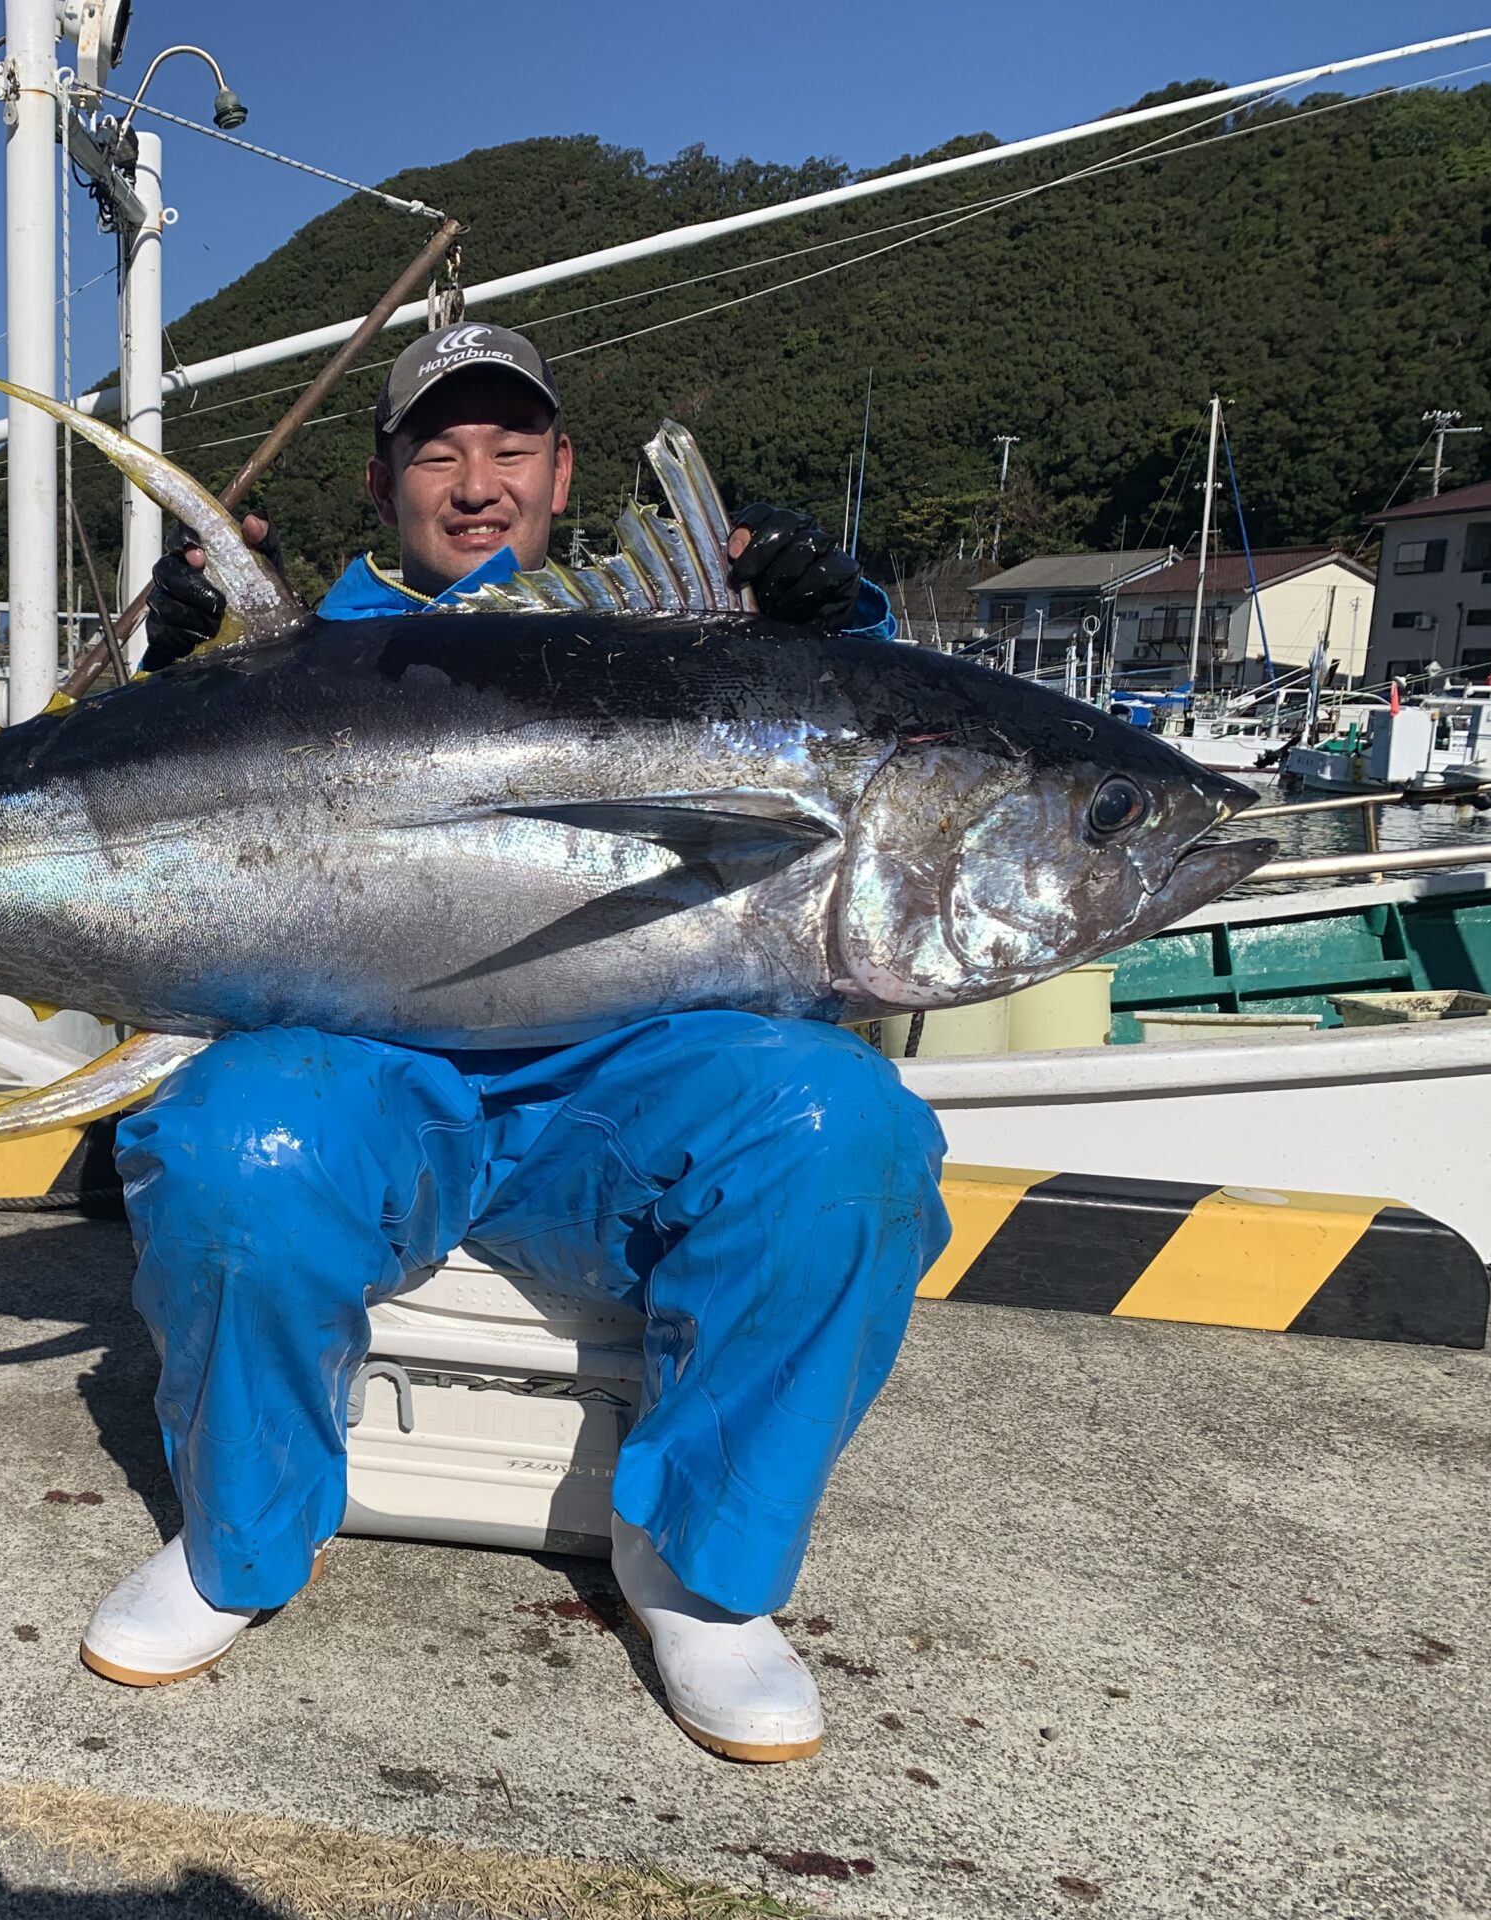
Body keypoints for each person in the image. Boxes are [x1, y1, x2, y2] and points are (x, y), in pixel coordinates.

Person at [75, 323, 948, 1765]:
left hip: (637, 1075)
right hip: (367, 1067)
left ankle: (700, 1578)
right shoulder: (299, 648)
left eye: (510, 445)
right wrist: (183, 671)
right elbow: (121, 830)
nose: (476, 481)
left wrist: (833, 621)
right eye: (439, 448)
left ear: (560, 471)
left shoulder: (682, 633)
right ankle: (237, 1546)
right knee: (239, 1145)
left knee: (846, 1134)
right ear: (384, 480)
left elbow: (868, 761)